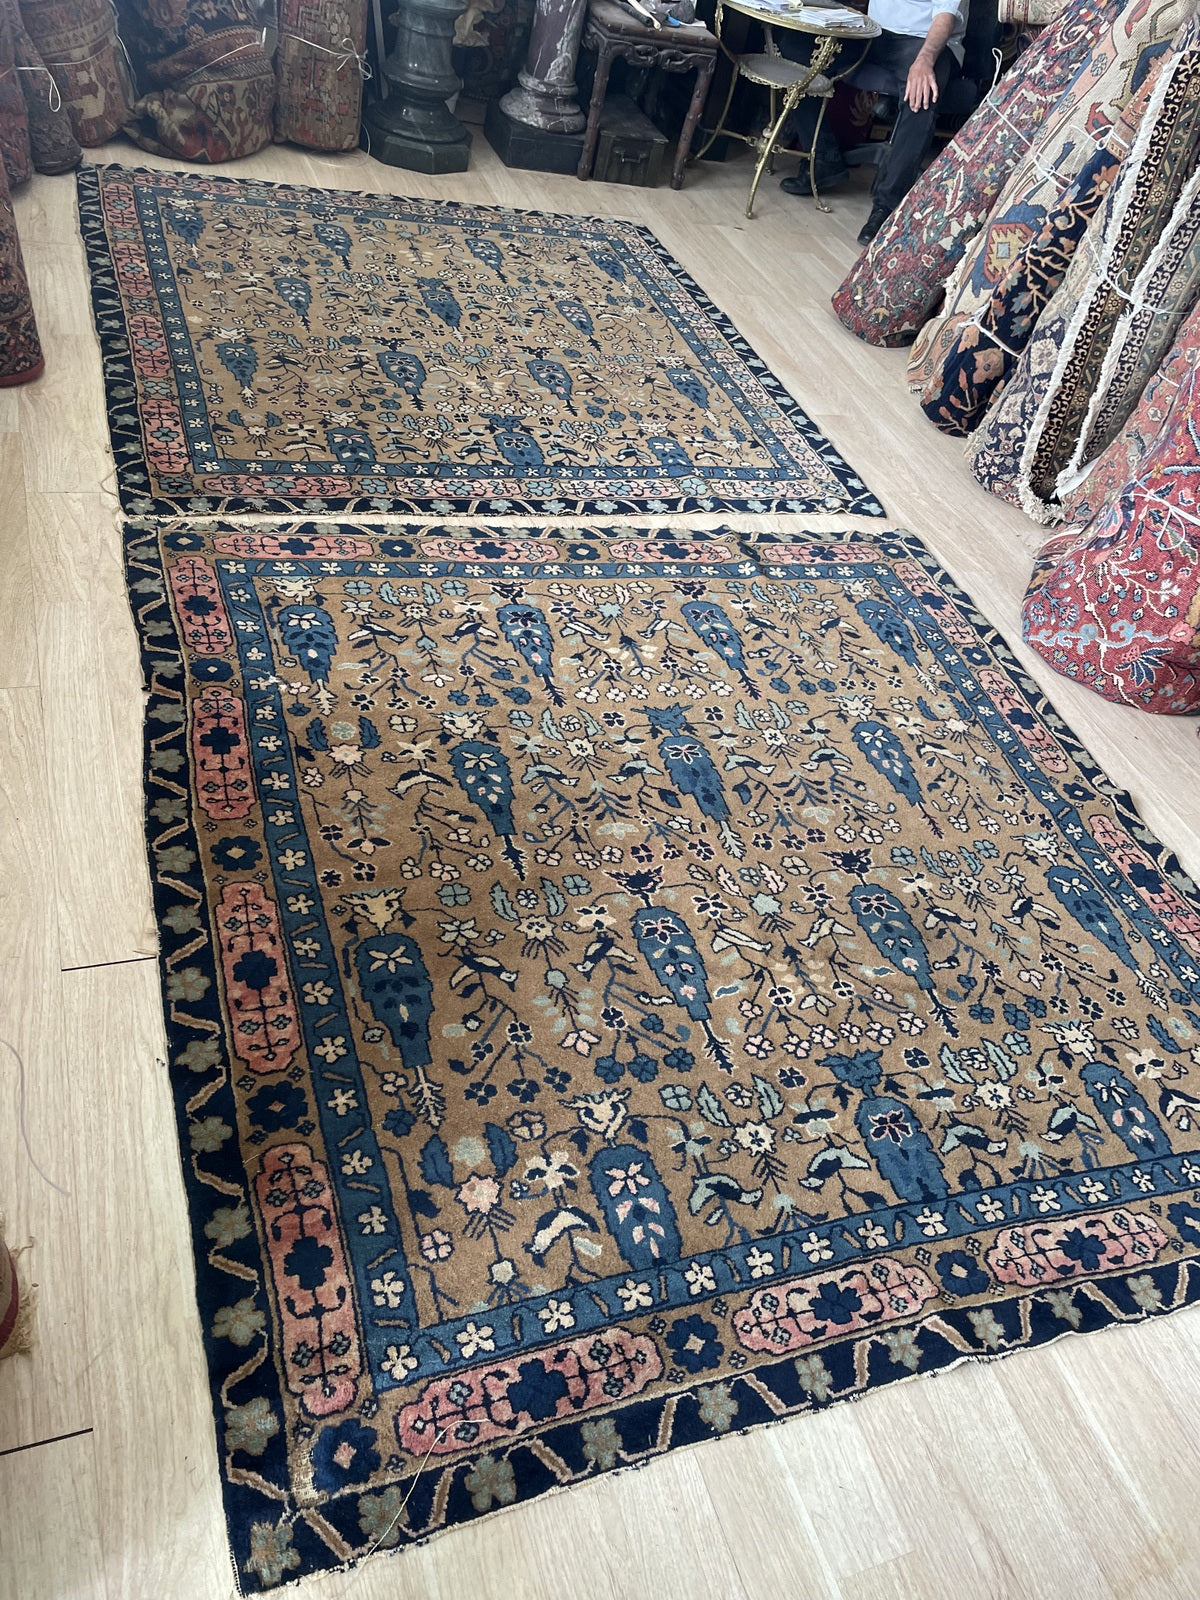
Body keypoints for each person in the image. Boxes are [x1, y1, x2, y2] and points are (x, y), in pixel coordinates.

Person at [780, 0, 968, 246]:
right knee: (795, 47)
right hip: (875, 33)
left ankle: (886, 207)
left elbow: (945, 17)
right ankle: (823, 160)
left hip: (925, 42)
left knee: (922, 97)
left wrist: (924, 61)